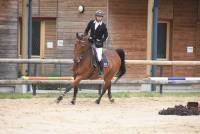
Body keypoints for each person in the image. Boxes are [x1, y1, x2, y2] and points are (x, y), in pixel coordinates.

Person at [84, 10, 108, 75]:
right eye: (98, 16)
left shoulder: (103, 25)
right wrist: (86, 36)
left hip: (98, 44)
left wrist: (100, 41)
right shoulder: (91, 22)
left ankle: (101, 70)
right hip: (90, 41)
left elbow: (106, 35)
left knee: (99, 57)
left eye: (100, 17)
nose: (99, 18)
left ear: (102, 17)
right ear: (96, 17)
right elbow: (86, 30)